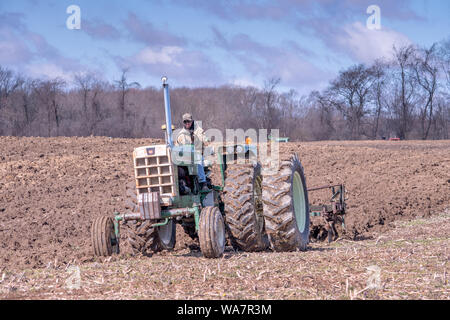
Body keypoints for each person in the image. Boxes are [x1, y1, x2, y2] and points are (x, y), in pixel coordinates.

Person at [175, 113, 209, 192]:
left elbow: (203, 138)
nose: (187, 124)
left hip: (197, 153)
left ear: (192, 121)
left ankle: (203, 183)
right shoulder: (181, 134)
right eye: (185, 122)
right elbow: (177, 146)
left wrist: (206, 139)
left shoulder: (198, 131)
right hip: (186, 156)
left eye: (189, 122)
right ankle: (182, 185)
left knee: (198, 160)